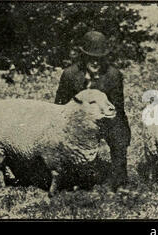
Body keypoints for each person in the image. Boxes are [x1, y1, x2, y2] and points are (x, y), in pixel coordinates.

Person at [55, 31, 131, 191]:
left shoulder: (113, 76)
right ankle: (69, 176)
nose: (95, 63)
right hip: (78, 122)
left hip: (104, 120)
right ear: (83, 57)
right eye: (91, 58)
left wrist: (122, 133)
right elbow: (59, 105)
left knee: (119, 135)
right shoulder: (69, 75)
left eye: (99, 59)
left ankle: (118, 180)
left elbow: (117, 108)